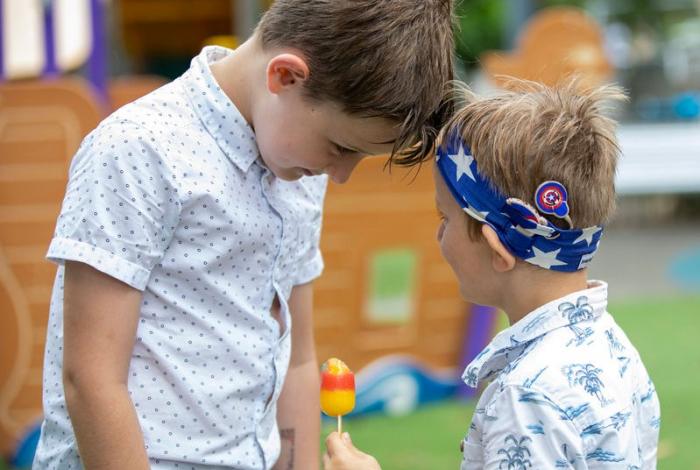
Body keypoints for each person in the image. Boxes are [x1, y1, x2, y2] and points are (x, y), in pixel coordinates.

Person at [32, 1, 455, 468]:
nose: (341, 176)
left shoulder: (300, 171)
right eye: (341, 147)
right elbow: (91, 379)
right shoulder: (136, 150)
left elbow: (296, 358)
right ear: (285, 77)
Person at [324, 79, 661, 469]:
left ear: (497, 250)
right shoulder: (615, 348)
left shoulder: (526, 398)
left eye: (444, 218)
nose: (438, 235)